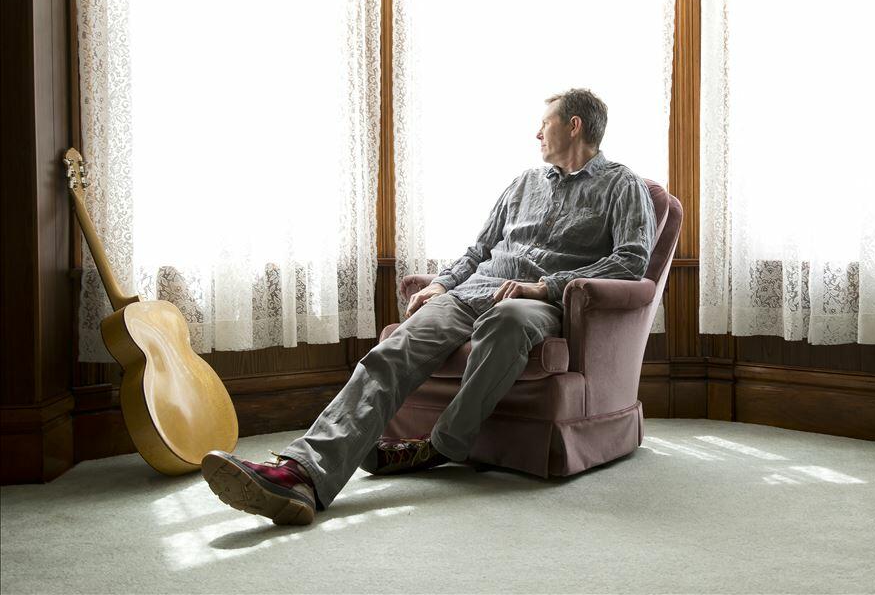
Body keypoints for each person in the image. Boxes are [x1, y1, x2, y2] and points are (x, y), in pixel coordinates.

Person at [201, 88, 657, 526]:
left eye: (545, 123)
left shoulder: (623, 185)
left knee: (507, 319)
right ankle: (301, 474)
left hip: (537, 302)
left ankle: (443, 444)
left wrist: (543, 287)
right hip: (473, 292)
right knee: (390, 353)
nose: (536, 133)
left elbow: (632, 260)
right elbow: (479, 250)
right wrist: (441, 284)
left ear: (574, 126)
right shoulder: (523, 183)